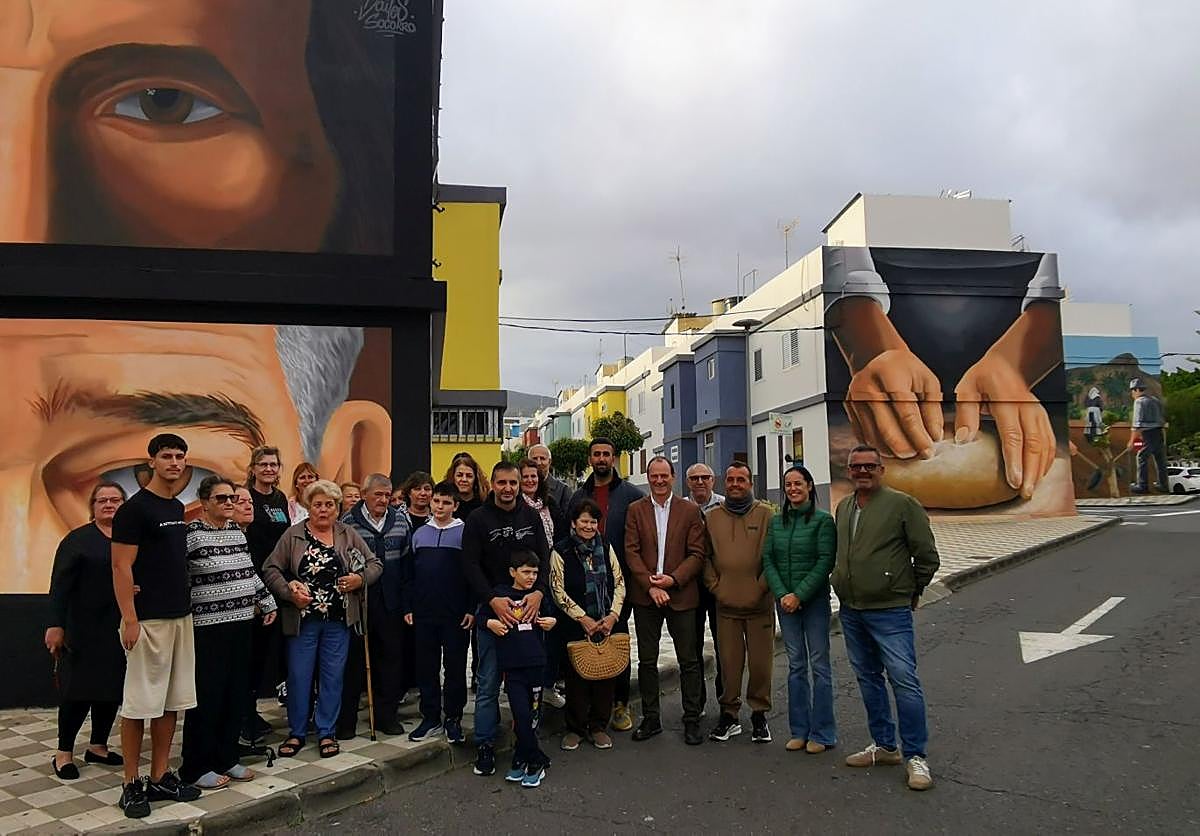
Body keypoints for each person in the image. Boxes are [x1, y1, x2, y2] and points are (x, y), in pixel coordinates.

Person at [833, 445, 940, 791]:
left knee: (903, 680)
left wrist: (909, 590)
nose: (862, 471)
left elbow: (926, 555)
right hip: (852, 609)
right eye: (856, 466)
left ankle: (916, 756)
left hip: (889, 610)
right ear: (849, 471)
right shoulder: (845, 507)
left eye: (869, 466)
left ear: (882, 469)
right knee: (868, 678)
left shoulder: (902, 504)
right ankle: (884, 745)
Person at [110, 433, 200, 818]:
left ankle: (160, 776)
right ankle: (130, 783)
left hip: (180, 616)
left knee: (170, 703)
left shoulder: (177, 506)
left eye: (180, 456)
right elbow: (120, 566)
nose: (175, 463)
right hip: (147, 621)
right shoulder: (134, 510)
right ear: (151, 461)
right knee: (138, 705)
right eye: (167, 456)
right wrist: (130, 618)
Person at [262, 480, 381, 760]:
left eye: (329, 504)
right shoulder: (292, 536)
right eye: (318, 504)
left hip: (338, 620)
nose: (324, 510)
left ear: (338, 508)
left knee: (332, 677)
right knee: (299, 677)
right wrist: (289, 589)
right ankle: (298, 732)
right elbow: (271, 568)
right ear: (308, 506)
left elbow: (375, 564)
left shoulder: (348, 533)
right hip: (302, 620)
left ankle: (327, 731)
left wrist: (359, 579)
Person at [181, 476, 277, 789]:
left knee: (235, 693)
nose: (228, 504)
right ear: (204, 501)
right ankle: (196, 765)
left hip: (241, 622)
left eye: (232, 499)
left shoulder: (236, 532)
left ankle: (227, 758)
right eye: (221, 499)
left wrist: (266, 600)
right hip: (207, 627)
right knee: (208, 696)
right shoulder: (192, 535)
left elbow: (248, 571)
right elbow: (176, 575)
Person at [462, 462, 550, 777]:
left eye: (513, 483)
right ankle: (485, 744)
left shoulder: (531, 517)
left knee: (525, 685)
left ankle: (524, 743)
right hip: (492, 612)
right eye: (502, 483)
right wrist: (491, 599)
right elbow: (469, 564)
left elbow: (545, 557)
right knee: (487, 683)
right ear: (493, 484)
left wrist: (539, 593)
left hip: (526, 612)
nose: (508, 488)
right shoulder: (477, 519)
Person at [45, 482, 128, 781]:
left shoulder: (130, 539)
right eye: (102, 500)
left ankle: (98, 746)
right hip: (81, 628)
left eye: (115, 500)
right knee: (77, 692)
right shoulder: (77, 540)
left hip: (118, 627)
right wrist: (55, 625)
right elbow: (59, 587)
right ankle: (63, 752)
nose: (109, 505)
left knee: (110, 689)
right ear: (92, 506)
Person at [623, 457, 708, 746]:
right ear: (648, 478)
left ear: (673, 477)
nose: (659, 481)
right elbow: (631, 552)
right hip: (646, 598)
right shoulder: (636, 510)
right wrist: (650, 585)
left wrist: (672, 580)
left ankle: (692, 719)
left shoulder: (690, 511)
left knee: (690, 661)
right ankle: (651, 718)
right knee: (647, 660)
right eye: (654, 476)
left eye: (664, 475)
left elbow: (697, 554)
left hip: (681, 595)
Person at [568, 438, 645, 731]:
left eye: (606, 454)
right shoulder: (578, 496)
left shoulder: (632, 495)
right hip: (584, 588)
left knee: (617, 643)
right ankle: (590, 705)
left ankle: (620, 704)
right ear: (590, 459)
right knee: (587, 644)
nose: (601, 459)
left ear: (614, 458)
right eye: (596, 454)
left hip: (619, 586)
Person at [762, 465, 837, 753]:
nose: (792, 489)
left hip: (814, 602)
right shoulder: (777, 522)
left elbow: (825, 562)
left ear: (809, 486)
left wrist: (800, 595)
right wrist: (783, 594)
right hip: (786, 604)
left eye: (798, 484)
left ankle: (823, 733)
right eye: (788, 484)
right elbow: (768, 559)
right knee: (795, 666)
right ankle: (799, 730)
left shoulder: (822, 521)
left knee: (819, 665)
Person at [704, 462, 775, 744]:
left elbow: (774, 557)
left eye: (741, 479)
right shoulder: (711, 517)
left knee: (761, 665)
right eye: (730, 479)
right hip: (725, 605)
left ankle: (759, 714)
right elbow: (705, 557)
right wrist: (716, 587)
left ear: (750, 483)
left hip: (759, 605)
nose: (735, 484)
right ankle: (729, 715)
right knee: (729, 664)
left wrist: (760, 588)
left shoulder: (766, 515)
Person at [339, 474, 413, 737]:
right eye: (378, 495)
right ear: (364, 493)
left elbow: (407, 566)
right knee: (353, 662)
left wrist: (406, 604)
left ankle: (386, 716)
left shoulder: (401, 520)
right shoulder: (347, 522)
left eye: (387, 495)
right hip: (359, 603)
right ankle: (346, 721)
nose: (383, 500)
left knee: (391, 660)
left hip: (391, 603)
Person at [550, 499, 626, 751]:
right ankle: (576, 728)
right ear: (573, 523)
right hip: (575, 625)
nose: (589, 526)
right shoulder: (561, 551)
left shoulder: (605, 546)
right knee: (576, 679)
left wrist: (613, 615)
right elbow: (557, 589)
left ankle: (598, 727)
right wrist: (582, 617)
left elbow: (619, 581)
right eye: (584, 521)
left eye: (593, 521)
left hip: (605, 622)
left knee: (605, 675)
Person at [480, 552, 556, 789]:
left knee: (531, 717)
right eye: (525, 572)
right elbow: (482, 615)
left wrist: (552, 621)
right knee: (520, 715)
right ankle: (535, 757)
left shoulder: (538, 597)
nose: (531, 577)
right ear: (513, 572)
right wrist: (490, 623)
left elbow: (554, 615)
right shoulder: (501, 594)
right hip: (511, 667)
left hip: (536, 665)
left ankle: (525, 758)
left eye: (535, 572)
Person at [404, 482, 472, 744]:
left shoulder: (464, 533)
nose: (440, 507)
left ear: (455, 505)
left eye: (446, 502)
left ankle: (453, 717)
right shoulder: (419, 533)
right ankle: (430, 717)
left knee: (454, 667)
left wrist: (470, 608)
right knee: (426, 667)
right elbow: (409, 575)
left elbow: (472, 575)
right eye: (436, 502)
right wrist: (408, 606)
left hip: (455, 614)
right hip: (424, 613)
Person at [242, 445, 292, 743]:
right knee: (250, 655)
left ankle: (252, 712)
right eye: (264, 465)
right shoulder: (247, 497)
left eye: (274, 464)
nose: (269, 469)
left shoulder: (279, 498)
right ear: (253, 468)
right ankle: (244, 716)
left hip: (277, 583)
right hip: (252, 584)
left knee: (266, 657)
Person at [519, 459, 568, 708]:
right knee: (528, 637)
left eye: (534, 477)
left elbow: (561, 537)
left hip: (552, 578)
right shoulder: (515, 507)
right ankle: (525, 688)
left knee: (552, 635)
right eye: (525, 476)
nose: (529, 481)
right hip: (525, 580)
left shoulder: (549, 505)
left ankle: (547, 685)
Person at [684, 462, 724, 714]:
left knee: (724, 646)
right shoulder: (681, 508)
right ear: (688, 482)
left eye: (705, 477)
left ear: (713, 480)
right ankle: (696, 703)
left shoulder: (726, 506)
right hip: (690, 587)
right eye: (695, 478)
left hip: (720, 586)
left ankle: (726, 701)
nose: (700, 482)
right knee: (692, 646)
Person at [1129, 379, 1168, 494]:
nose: (1132, 393)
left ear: (1136, 390)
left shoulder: (1139, 402)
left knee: (1141, 457)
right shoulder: (1155, 400)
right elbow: (1162, 419)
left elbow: (1137, 424)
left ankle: (1142, 485)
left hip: (1148, 434)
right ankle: (1163, 484)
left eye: (1132, 391)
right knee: (1160, 459)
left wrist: (1131, 441)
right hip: (1158, 432)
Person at [445, 452, 489, 520]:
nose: (464, 479)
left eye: (469, 476)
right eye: (459, 475)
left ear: (476, 478)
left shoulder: (485, 503)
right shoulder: (444, 504)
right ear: (453, 477)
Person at [528, 443, 571, 511]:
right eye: (534, 459)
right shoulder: (521, 489)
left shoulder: (563, 490)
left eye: (542, 458)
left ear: (549, 462)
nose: (538, 463)